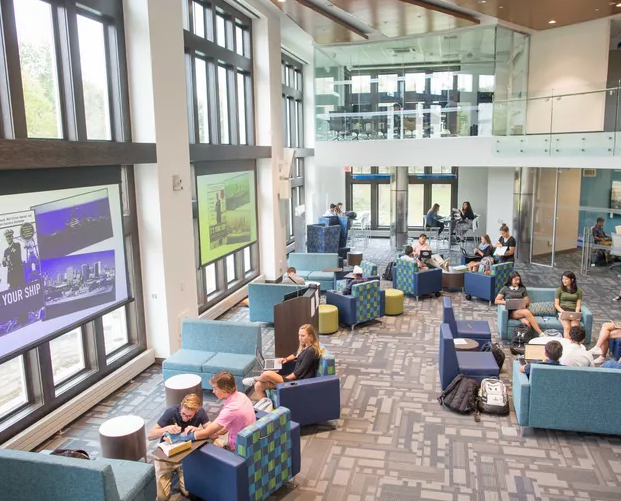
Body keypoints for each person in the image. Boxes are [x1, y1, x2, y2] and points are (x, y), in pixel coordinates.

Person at [147, 393, 210, 500]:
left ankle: (178, 471)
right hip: (165, 455)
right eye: (183, 414)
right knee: (162, 498)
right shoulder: (171, 411)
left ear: (196, 411)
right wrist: (166, 428)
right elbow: (150, 435)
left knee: (188, 492)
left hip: (184, 454)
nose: (185, 418)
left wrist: (198, 430)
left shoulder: (200, 412)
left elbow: (214, 433)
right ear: (181, 406)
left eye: (189, 416)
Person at [243, 324, 322, 399]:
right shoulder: (306, 346)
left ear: (310, 336)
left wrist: (284, 379)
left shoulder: (311, 351)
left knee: (267, 374)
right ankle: (267, 406)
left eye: (303, 336)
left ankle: (255, 379)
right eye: (299, 335)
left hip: (298, 382)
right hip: (294, 378)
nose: (300, 338)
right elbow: (296, 354)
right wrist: (286, 359)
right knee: (258, 386)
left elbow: (299, 372)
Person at [187, 371, 255, 452]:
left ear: (225, 389)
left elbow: (207, 433)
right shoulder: (242, 396)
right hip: (251, 441)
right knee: (212, 436)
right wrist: (199, 430)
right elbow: (222, 430)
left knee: (199, 446)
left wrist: (184, 436)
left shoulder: (231, 409)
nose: (213, 391)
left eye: (215, 388)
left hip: (239, 449)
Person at [494, 271, 543, 335]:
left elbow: (527, 302)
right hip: (511, 312)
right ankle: (540, 333)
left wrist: (520, 302)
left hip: (520, 311)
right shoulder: (505, 289)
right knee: (527, 312)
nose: (518, 281)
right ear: (511, 280)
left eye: (519, 280)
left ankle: (526, 337)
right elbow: (496, 301)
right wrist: (505, 302)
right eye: (516, 280)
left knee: (527, 323)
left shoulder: (522, 289)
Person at [554, 270, 582, 339]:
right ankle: (567, 344)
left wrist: (576, 313)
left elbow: (578, 305)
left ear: (572, 280)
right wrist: (563, 312)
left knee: (574, 328)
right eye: (563, 279)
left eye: (566, 279)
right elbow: (556, 305)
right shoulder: (559, 290)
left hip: (573, 310)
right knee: (567, 327)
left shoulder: (579, 291)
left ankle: (574, 344)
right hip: (562, 310)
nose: (564, 281)